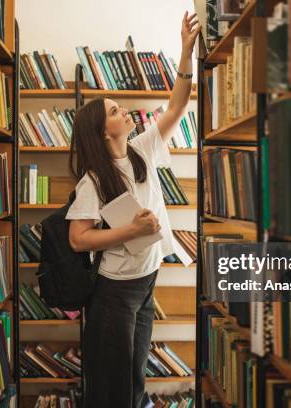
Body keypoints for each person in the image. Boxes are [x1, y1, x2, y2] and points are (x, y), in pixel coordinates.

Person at [65, 11, 201, 408]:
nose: (123, 111)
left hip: (146, 280)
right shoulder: (93, 180)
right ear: (103, 132)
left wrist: (186, 52)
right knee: (113, 385)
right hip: (115, 293)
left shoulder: (142, 149)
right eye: (113, 111)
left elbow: (176, 107)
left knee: (134, 375)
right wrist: (130, 232)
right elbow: (78, 239)